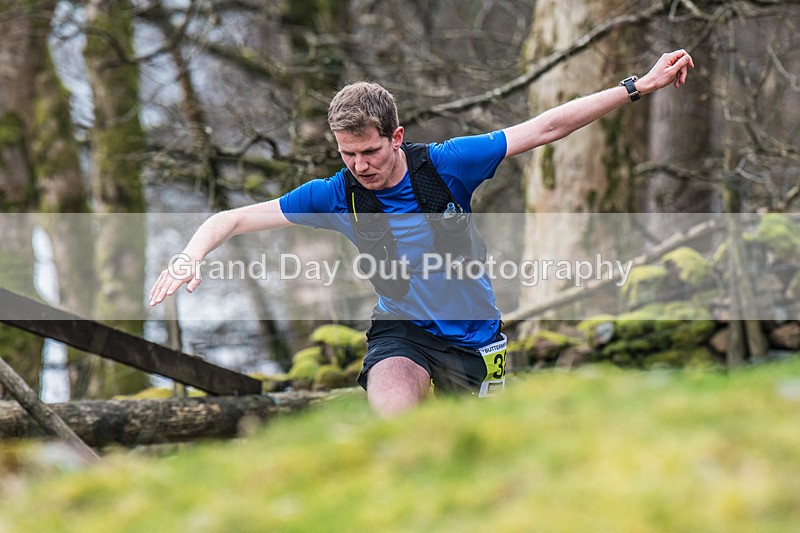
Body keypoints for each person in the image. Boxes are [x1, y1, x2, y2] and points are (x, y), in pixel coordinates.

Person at [149, 49, 694, 416]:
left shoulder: (448, 164)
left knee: (482, 454)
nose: (360, 164)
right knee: (396, 419)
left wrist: (637, 86)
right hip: (402, 330)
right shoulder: (337, 193)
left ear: (396, 137)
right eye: (348, 154)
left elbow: (546, 126)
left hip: (478, 339)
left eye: (370, 151)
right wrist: (190, 255)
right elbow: (234, 218)